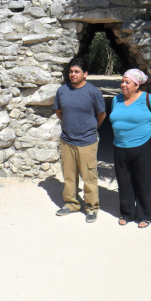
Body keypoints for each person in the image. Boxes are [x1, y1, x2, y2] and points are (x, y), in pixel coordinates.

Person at [109, 69, 151, 228]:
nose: (123, 85)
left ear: (136, 85)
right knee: (124, 181)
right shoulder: (116, 100)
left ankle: (145, 215)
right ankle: (127, 213)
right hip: (120, 146)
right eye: (122, 82)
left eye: (127, 82)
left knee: (144, 181)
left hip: (143, 146)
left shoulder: (147, 99)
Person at [53, 57, 106, 223]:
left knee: (89, 176)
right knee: (69, 175)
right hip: (67, 140)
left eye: (77, 72)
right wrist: (70, 125)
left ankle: (91, 208)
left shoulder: (93, 92)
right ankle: (71, 203)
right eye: (71, 71)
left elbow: (101, 114)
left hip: (87, 141)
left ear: (85, 74)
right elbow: (59, 111)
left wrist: (91, 129)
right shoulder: (62, 91)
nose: (73, 74)